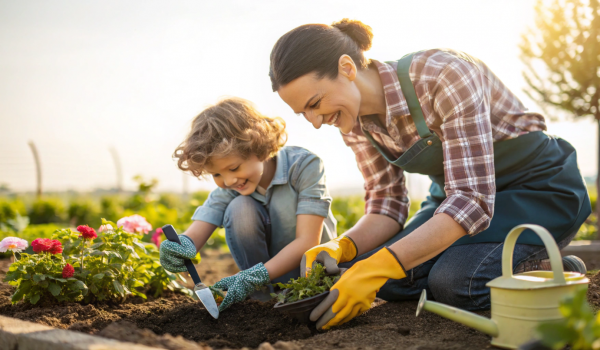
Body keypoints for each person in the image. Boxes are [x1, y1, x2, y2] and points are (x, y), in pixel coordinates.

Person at [269, 19, 591, 330]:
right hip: (455, 199)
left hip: (535, 187)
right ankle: (477, 258)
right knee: (383, 280)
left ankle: (552, 270)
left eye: (315, 103)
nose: (314, 121)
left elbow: (472, 201)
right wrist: (344, 247)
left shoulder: (442, 75)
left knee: (454, 282)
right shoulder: (351, 120)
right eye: (304, 113)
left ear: (347, 68)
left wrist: (381, 264)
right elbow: (387, 203)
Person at [159, 97, 337, 311]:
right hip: (263, 282)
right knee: (240, 208)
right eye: (216, 173)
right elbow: (197, 230)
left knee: (244, 206)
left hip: (313, 275)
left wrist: (255, 275)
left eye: (234, 168)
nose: (228, 181)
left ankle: (285, 290)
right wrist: (182, 246)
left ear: (259, 148)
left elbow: (308, 241)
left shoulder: (304, 167)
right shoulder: (231, 189)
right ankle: (261, 300)